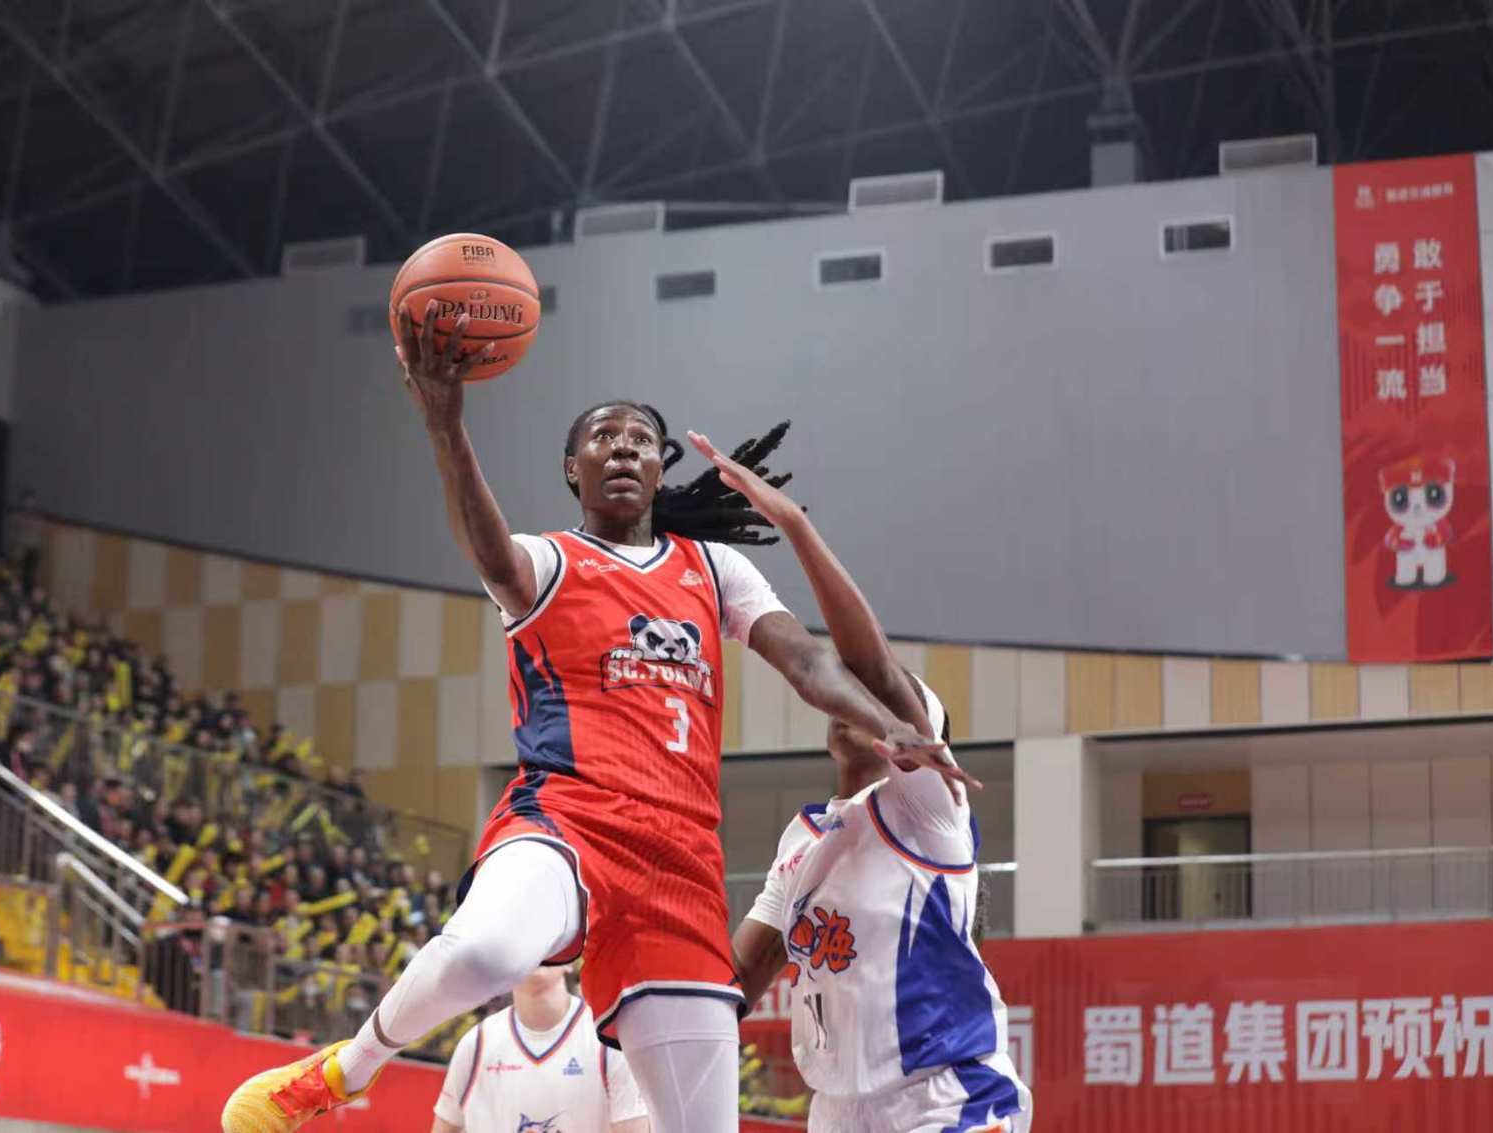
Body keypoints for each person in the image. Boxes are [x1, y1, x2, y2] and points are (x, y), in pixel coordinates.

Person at [222, 313, 959, 1133]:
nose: (623, 448)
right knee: (488, 951)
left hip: (681, 863)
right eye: (603, 437)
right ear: (573, 468)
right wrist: (445, 425)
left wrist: (886, 724)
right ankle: (340, 1072)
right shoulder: (547, 560)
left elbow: (810, 663)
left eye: (641, 439)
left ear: (660, 466)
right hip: (568, 818)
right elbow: (489, 552)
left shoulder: (715, 569)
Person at [698, 431, 1032, 1133]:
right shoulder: (802, 840)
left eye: (882, 696)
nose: (860, 698)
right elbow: (742, 977)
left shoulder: (930, 809)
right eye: (848, 692)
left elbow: (873, 666)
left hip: (944, 1096)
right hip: (839, 1112)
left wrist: (794, 525)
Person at [432, 965, 649, 1133]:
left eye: (549, 940)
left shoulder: (608, 1040)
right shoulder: (476, 1043)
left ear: (570, 959)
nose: (538, 950)